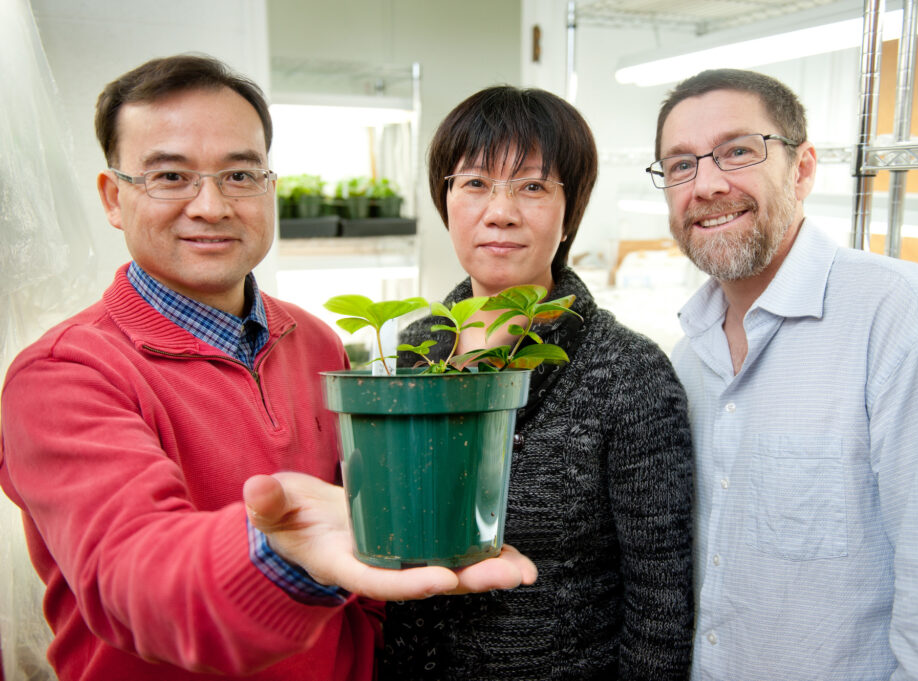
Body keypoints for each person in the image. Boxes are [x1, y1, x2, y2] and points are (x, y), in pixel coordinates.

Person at [0, 54, 536, 681]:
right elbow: (134, 578)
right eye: (170, 176)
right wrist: (283, 553)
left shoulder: (315, 342)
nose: (211, 205)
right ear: (113, 198)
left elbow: (361, 532)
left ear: (269, 186)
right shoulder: (64, 375)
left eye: (240, 175)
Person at [651, 68, 918, 680]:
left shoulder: (912, 325)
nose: (706, 185)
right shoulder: (689, 357)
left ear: (801, 169)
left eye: (738, 152)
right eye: (680, 165)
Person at [380, 86, 694, 681]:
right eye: (474, 183)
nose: (501, 211)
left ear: (569, 210)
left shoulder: (628, 372)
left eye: (532, 186)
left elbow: (661, 603)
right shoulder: (414, 350)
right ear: (446, 200)